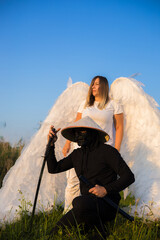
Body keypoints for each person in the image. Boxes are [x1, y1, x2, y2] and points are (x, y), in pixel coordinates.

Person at [46, 117, 135, 239]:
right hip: (85, 205)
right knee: (53, 233)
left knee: (78, 202)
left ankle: (100, 230)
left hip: (107, 204)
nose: (78, 135)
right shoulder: (77, 154)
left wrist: (105, 190)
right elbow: (53, 168)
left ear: (93, 133)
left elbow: (129, 177)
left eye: (82, 132)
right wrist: (50, 146)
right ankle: (95, 229)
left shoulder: (108, 152)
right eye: (76, 133)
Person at [62, 76, 124, 211]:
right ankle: (68, 211)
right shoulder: (85, 104)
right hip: (80, 148)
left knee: (99, 182)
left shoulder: (114, 105)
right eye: (92, 84)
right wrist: (68, 143)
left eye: (96, 84)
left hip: (103, 150)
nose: (93, 87)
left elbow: (119, 128)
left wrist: (116, 150)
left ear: (104, 86)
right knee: (73, 180)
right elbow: (76, 124)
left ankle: (97, 211)